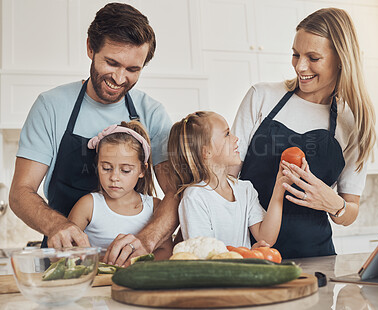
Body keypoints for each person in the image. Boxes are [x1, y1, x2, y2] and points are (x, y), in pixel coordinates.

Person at [9, 3, 178, 266]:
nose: (120, 78)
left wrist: (146, 240)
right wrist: (58, 226)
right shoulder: (51, 106)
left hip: (135, 266)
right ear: (90, 48)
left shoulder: (152, 113)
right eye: (112, 63)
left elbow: (174, 193)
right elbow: (21, 191)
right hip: (64, 257)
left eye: (133, 70)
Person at [231, 8, 376, 258]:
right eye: (296, 54)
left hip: (316, 258)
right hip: (252, 253)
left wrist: (333, 203)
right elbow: (226, 183)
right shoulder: (262, 97)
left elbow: (350, 210)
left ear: (341, 59)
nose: (300, 66)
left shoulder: (353, 123)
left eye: (313, 57)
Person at [167, 111, 299, 248]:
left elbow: (266, 238)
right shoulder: (195, 198)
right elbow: (205, 255)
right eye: (227, 134)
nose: (236, 138)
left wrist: (280, 187)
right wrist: (246, 256)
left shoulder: (245, 189)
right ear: (206, 152)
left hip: (242, 268)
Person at [68, 121, 172, 262]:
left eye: (125, 170)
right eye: (106, 168)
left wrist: (132, 264)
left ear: (142, 170)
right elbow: (66, 250)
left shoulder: (155, 207)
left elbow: (166, 252)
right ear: (97, 165)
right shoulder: (88, 205)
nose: (114, 178)